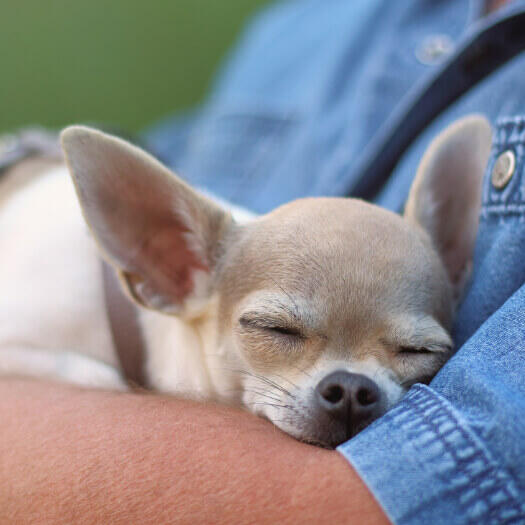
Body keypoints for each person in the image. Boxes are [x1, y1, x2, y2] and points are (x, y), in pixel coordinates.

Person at [2, 0, 525, 523]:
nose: (349, 389)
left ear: (456, 261)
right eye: (280, 331)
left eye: (413, 349)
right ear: (170, 262)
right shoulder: (309, 22)